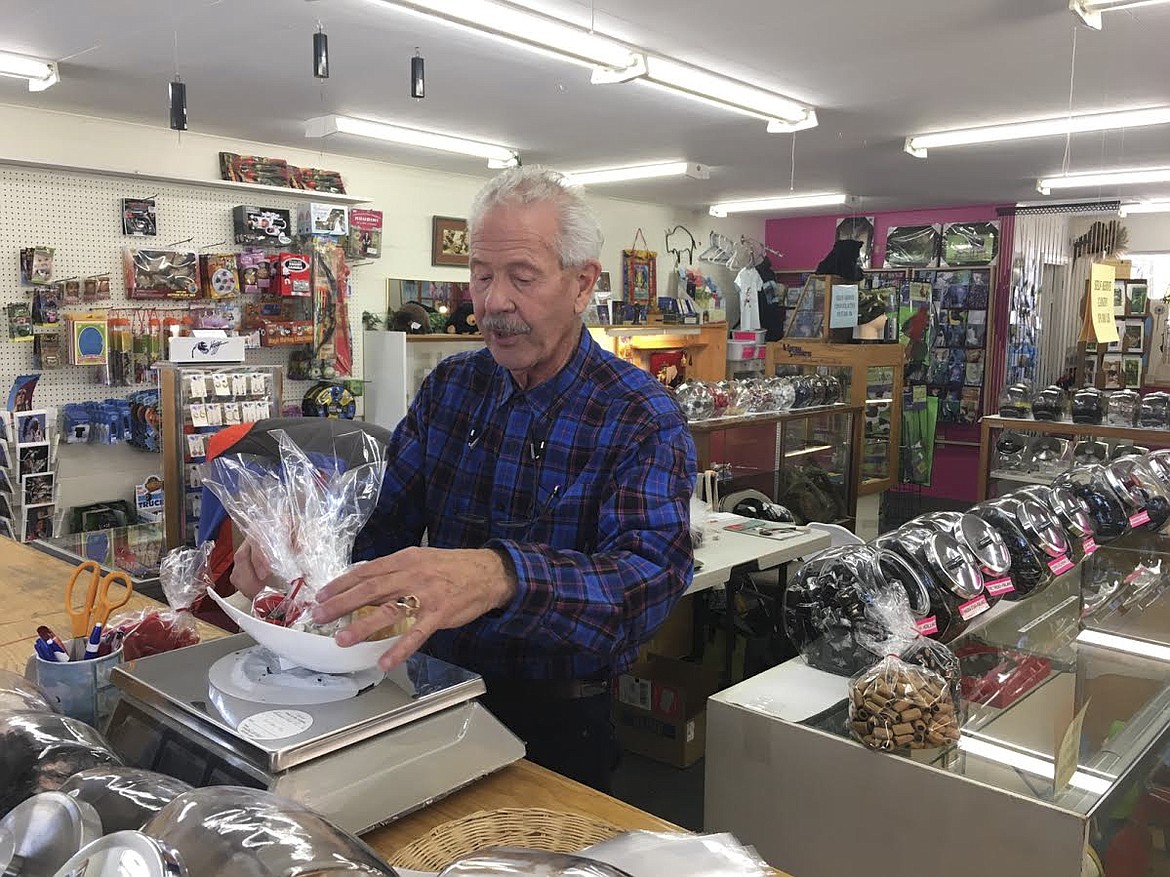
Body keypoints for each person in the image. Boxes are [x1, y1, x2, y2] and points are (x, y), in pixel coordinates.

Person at [230, 166, 698, 791]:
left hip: (559, 721)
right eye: (480, 275)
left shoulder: (641, 415)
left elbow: (648, 586)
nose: (492, 301)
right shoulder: (451, 387)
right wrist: (302, 547)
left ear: (582, 283)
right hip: (421, 688)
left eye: (521, 277)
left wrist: (503, 576)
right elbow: (382, 526)